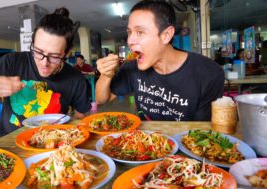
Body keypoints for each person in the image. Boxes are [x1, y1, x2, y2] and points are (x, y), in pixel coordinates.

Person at [0, 7, 91, 137]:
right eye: (38, 51)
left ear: (68, 52)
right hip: (8, 147)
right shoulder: (12, 62)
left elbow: (80, 118)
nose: (44, 63)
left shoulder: (76, 79)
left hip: (51, 149)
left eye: (54, 56)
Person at [95, 0, 224, 121]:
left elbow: (203, 134)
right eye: (129, 32)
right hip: (145, 141)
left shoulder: (209, 73)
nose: (130, 41)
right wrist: (106, 75)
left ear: (166, 35)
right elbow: (102, 100)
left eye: (139, 32)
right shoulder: (131, 66)